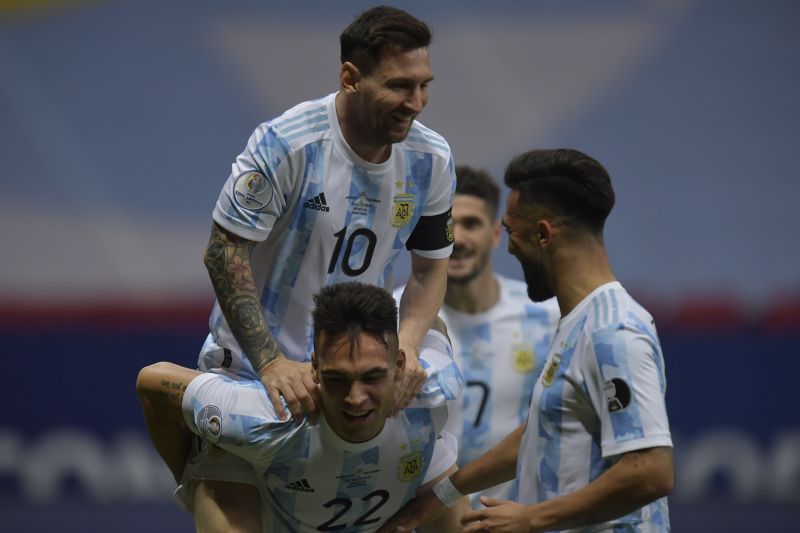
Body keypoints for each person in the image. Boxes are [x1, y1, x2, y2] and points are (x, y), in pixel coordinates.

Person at [160, 6, 456, 529]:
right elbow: (223, 251)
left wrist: (407, 341)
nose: (416, 104)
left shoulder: (432, 158)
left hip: (355, 387)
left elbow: (431, 269)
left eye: (424, 85)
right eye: (399, 86)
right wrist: (273, 362)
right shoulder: (287, 143)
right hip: (259, 385)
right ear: (350, 77)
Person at [381, 149, 674, 532]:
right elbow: (544, 428)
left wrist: (531, 517)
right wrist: (444, 494)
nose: (510, 247)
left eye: (512, 232)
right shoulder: (576, 320)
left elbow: (651, 472)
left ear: (543, 234)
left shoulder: (613, 331)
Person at [137, 282, 469, 532]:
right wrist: (189, 477)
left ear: (399, 365)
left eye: (372, 377)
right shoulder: (264, 417)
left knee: (452, 499)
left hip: (399, 477)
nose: (355, 398)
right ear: (313, 369)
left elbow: (435, 327)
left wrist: (409, 341)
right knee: (218, 472)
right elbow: (151, 382)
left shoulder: (433, 384)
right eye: (337, 379)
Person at [394, 165, 559, 507]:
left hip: (512, 520)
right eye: (447, 225)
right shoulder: (391, 316)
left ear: (497, 234)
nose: (458, 239)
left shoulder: (546, 317)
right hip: (420, 521)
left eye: (471, 223)